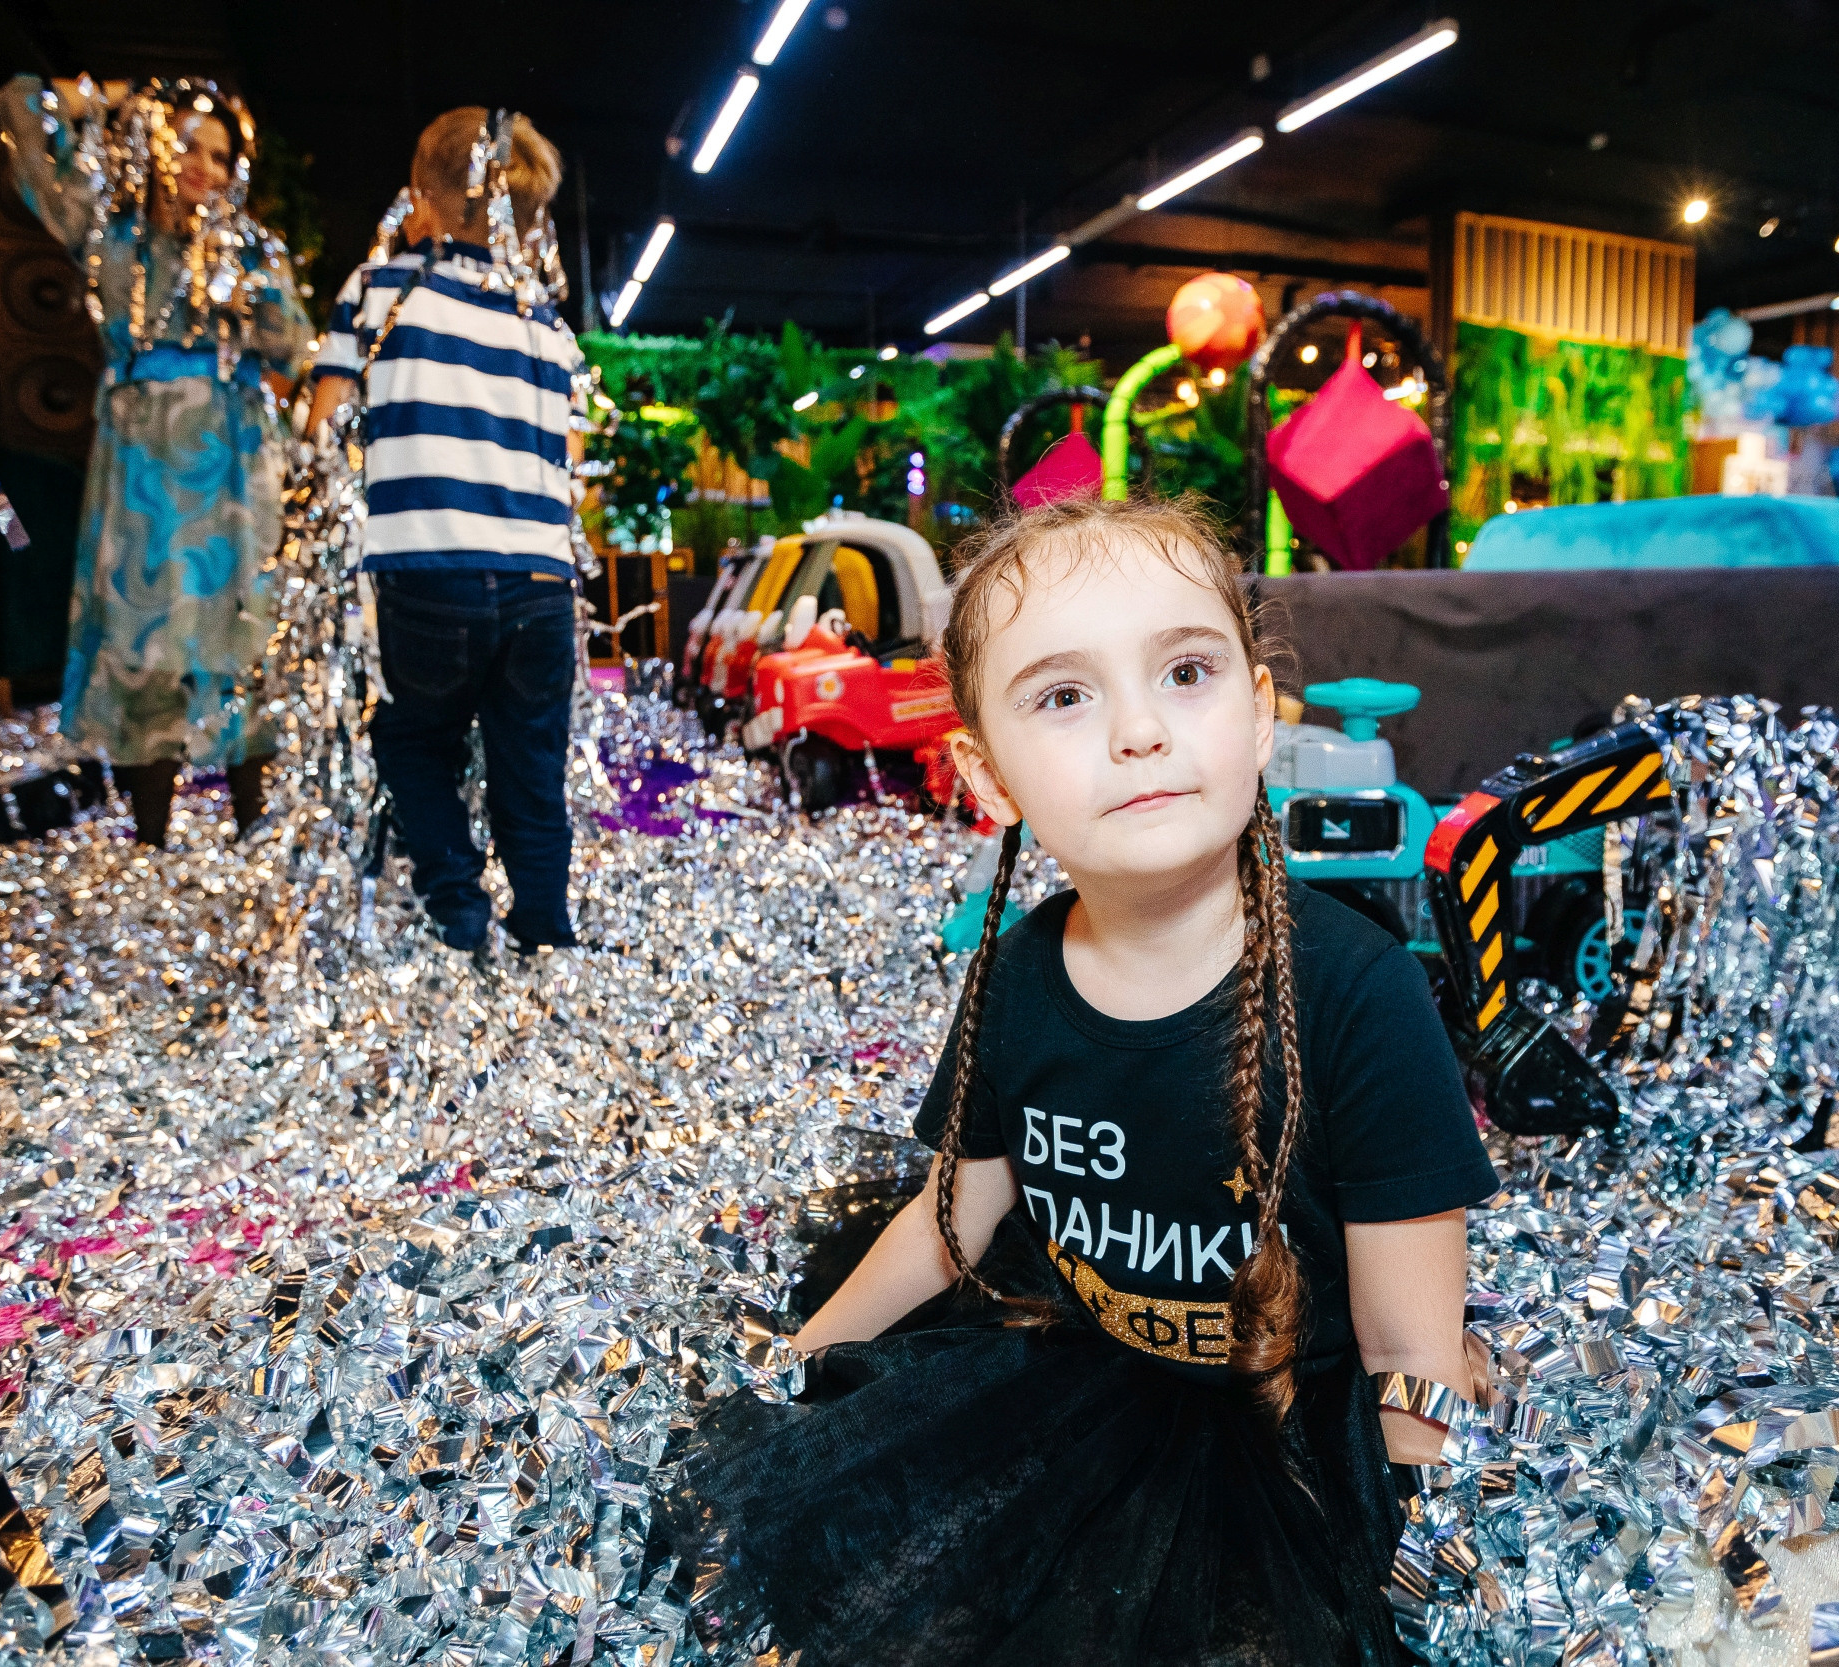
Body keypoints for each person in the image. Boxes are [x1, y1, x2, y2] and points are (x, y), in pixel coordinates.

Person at [669, 495, 1499, 1664]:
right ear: (984, 772)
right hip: (1080, 1372)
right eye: (1064, 695)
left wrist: (1403, 1577)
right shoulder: (1017, 974)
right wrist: (799, 1364)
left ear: (1261, 716)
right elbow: (953, 1216)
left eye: (1187, 673)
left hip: (1281, 1424)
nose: (1139, 732)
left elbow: (1406, 1350)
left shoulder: (1361, 993)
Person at [0, 75, 312, 846]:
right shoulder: (112, 234)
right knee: (147, 643)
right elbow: (21, 117)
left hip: (234, 465)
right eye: (188, 145)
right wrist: (97, 98)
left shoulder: (249, 247)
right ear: (157, 147)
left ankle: (253, 826)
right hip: (143, 468)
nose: (203, 165)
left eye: (219, 154)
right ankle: (153, 838)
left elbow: (294, 346)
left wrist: (253, 287)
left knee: (244, 635)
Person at [304, 110, 585, 954]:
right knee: (530, 770)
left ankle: (458, 909)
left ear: (422, 195)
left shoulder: (381, 290)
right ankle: (544, 927)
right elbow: (565, 459)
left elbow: (324, 433)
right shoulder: (548, 324)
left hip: (427, 575)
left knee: (412, 742)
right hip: (541, 586)